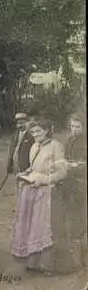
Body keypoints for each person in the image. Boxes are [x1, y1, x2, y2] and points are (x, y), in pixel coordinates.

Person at [11, 118, 68, 276]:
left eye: (38, 131)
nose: (35, 134)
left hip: (49, 191)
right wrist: (26, 173)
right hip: (33, 189)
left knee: (45, 226)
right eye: (33, 132)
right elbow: (34, 166)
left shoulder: (56, 146)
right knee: (32, 224)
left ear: (47, 130)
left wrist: (44, 180)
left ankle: (48, 264)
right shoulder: (34, 146)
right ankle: (33, 262)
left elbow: (61, 172)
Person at [55, 114, 87, 274]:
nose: (74, 130)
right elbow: (64, 158)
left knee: (79, 221)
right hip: (69, 183)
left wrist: (74, 165)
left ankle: (82, 259)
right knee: (67, 217)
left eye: (77, 127)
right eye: (72, 126)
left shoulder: (84, 142)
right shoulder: (68, 141)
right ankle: (71, 258)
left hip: (82, 185)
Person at [7, 113, 34, 186]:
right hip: (16, 167)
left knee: (27, 187)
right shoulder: (15, 135)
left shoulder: (31, 135)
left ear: (27, 122)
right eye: (18, 123)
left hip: (26, 168)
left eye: (21, 123)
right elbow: (11, 150)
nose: (19, 125)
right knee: (19, 186)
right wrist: (9, 164)